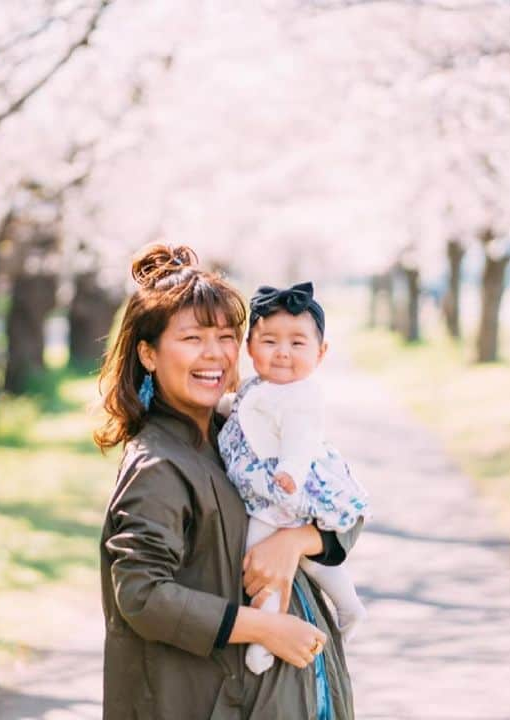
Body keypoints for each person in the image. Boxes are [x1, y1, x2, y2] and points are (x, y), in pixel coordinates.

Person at [96, 243, 363, 719]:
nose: (215, 354)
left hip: (290, 694)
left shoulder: (239, 430)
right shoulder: (158, 464)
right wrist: (263, 628)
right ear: (148, 354)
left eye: (225, 337)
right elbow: (140, 593)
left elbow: (340, 501)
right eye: (193, 338)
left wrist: (295, 541)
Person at [218, 282, 369, 675]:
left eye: (297, 343)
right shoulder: (257, 387)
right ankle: (349, 608)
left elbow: (301, 440)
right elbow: (241, 410)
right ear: (250, 347)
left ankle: (266, 639)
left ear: (321, 354)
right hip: (270, 494)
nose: (283, 351)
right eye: (270, 340)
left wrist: (289, 472)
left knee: (262, 561)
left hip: (285, 492)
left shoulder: (303, 396)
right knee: (311, 564)